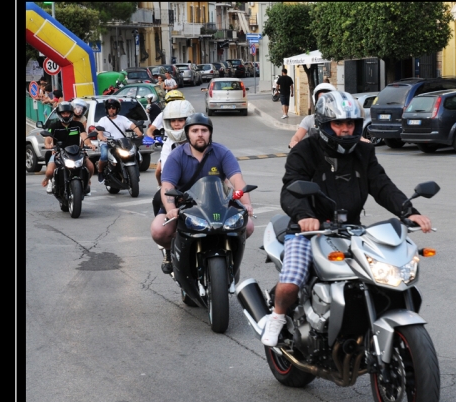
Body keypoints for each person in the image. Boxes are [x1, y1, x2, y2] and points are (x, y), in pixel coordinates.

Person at [260, 90, 433, 347]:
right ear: (323, 124)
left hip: (351, 230)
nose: (345, 129)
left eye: (350, 123)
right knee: (293, 278)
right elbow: (291, 188)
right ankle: (276, 317)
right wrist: (306, 216)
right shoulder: (305, 150)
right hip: (308, 231)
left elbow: (382, 185)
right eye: (338, 123)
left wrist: (408, 212)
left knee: (383, 273)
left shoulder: (363, 151)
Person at [150, 113, 254, 274]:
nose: (200, 134)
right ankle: (171, 252)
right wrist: (170, 208)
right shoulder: (176, 156)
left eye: (204, 130)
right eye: (195, 130)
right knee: (159, 230)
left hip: (217, 202)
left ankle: (231, 257)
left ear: (210, 133)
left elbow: (237, 180)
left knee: (247, 226)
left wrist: (246, 204)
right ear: (188, 133)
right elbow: (167, 185)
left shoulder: (222, 152)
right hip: (183, 204)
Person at [149, 99, 195, 215]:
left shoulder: (197, 139)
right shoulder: (168, 143)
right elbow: (164, 170)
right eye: (173, 120)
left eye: (180, 120)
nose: (176, 124)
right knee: (157, 202)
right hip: (176, 187)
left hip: (200, 186)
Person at [41, 102, 96, 195]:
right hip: (59, 152)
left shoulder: (78, 125)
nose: (66, 115)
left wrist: (89, 144)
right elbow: (48, 139)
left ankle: (87, 182)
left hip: (76, 152)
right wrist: (48, 145)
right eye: (63, 113)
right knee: (50, 171)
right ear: (59, 114)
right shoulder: (54, 126)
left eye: (68, 113)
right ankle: (49, 180)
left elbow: (84, 137)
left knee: (90, 167)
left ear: (71, 113)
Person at [94, 98, 144, 182]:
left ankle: (134, 171)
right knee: (104, 156)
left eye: (113, 108)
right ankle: (100, 171)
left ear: (117, 109)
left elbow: (132, 126)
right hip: (107, 143)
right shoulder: (103, 120)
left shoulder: (123, 119)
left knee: (134, 153)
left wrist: (139, 133)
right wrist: (102, 137)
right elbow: (99, 131)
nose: (111, 110)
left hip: (121, 143)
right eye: (109, 108)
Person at [146, 90, 186, 187]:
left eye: (180, 120)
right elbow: (150, 129)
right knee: (159, 171)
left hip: (186, 143)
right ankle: (161, 188)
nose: (176, 123)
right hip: (170, 145)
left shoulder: (189, 114)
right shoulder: (163, 115)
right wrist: (150, 135)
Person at [288, 83, 336, 148]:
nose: (325, 104)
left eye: (328, 100)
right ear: (316, 101)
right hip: (315, 153)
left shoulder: (339, 120)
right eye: (321, 100)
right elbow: (297, 136)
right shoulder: (309, 120)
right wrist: (294, 141)